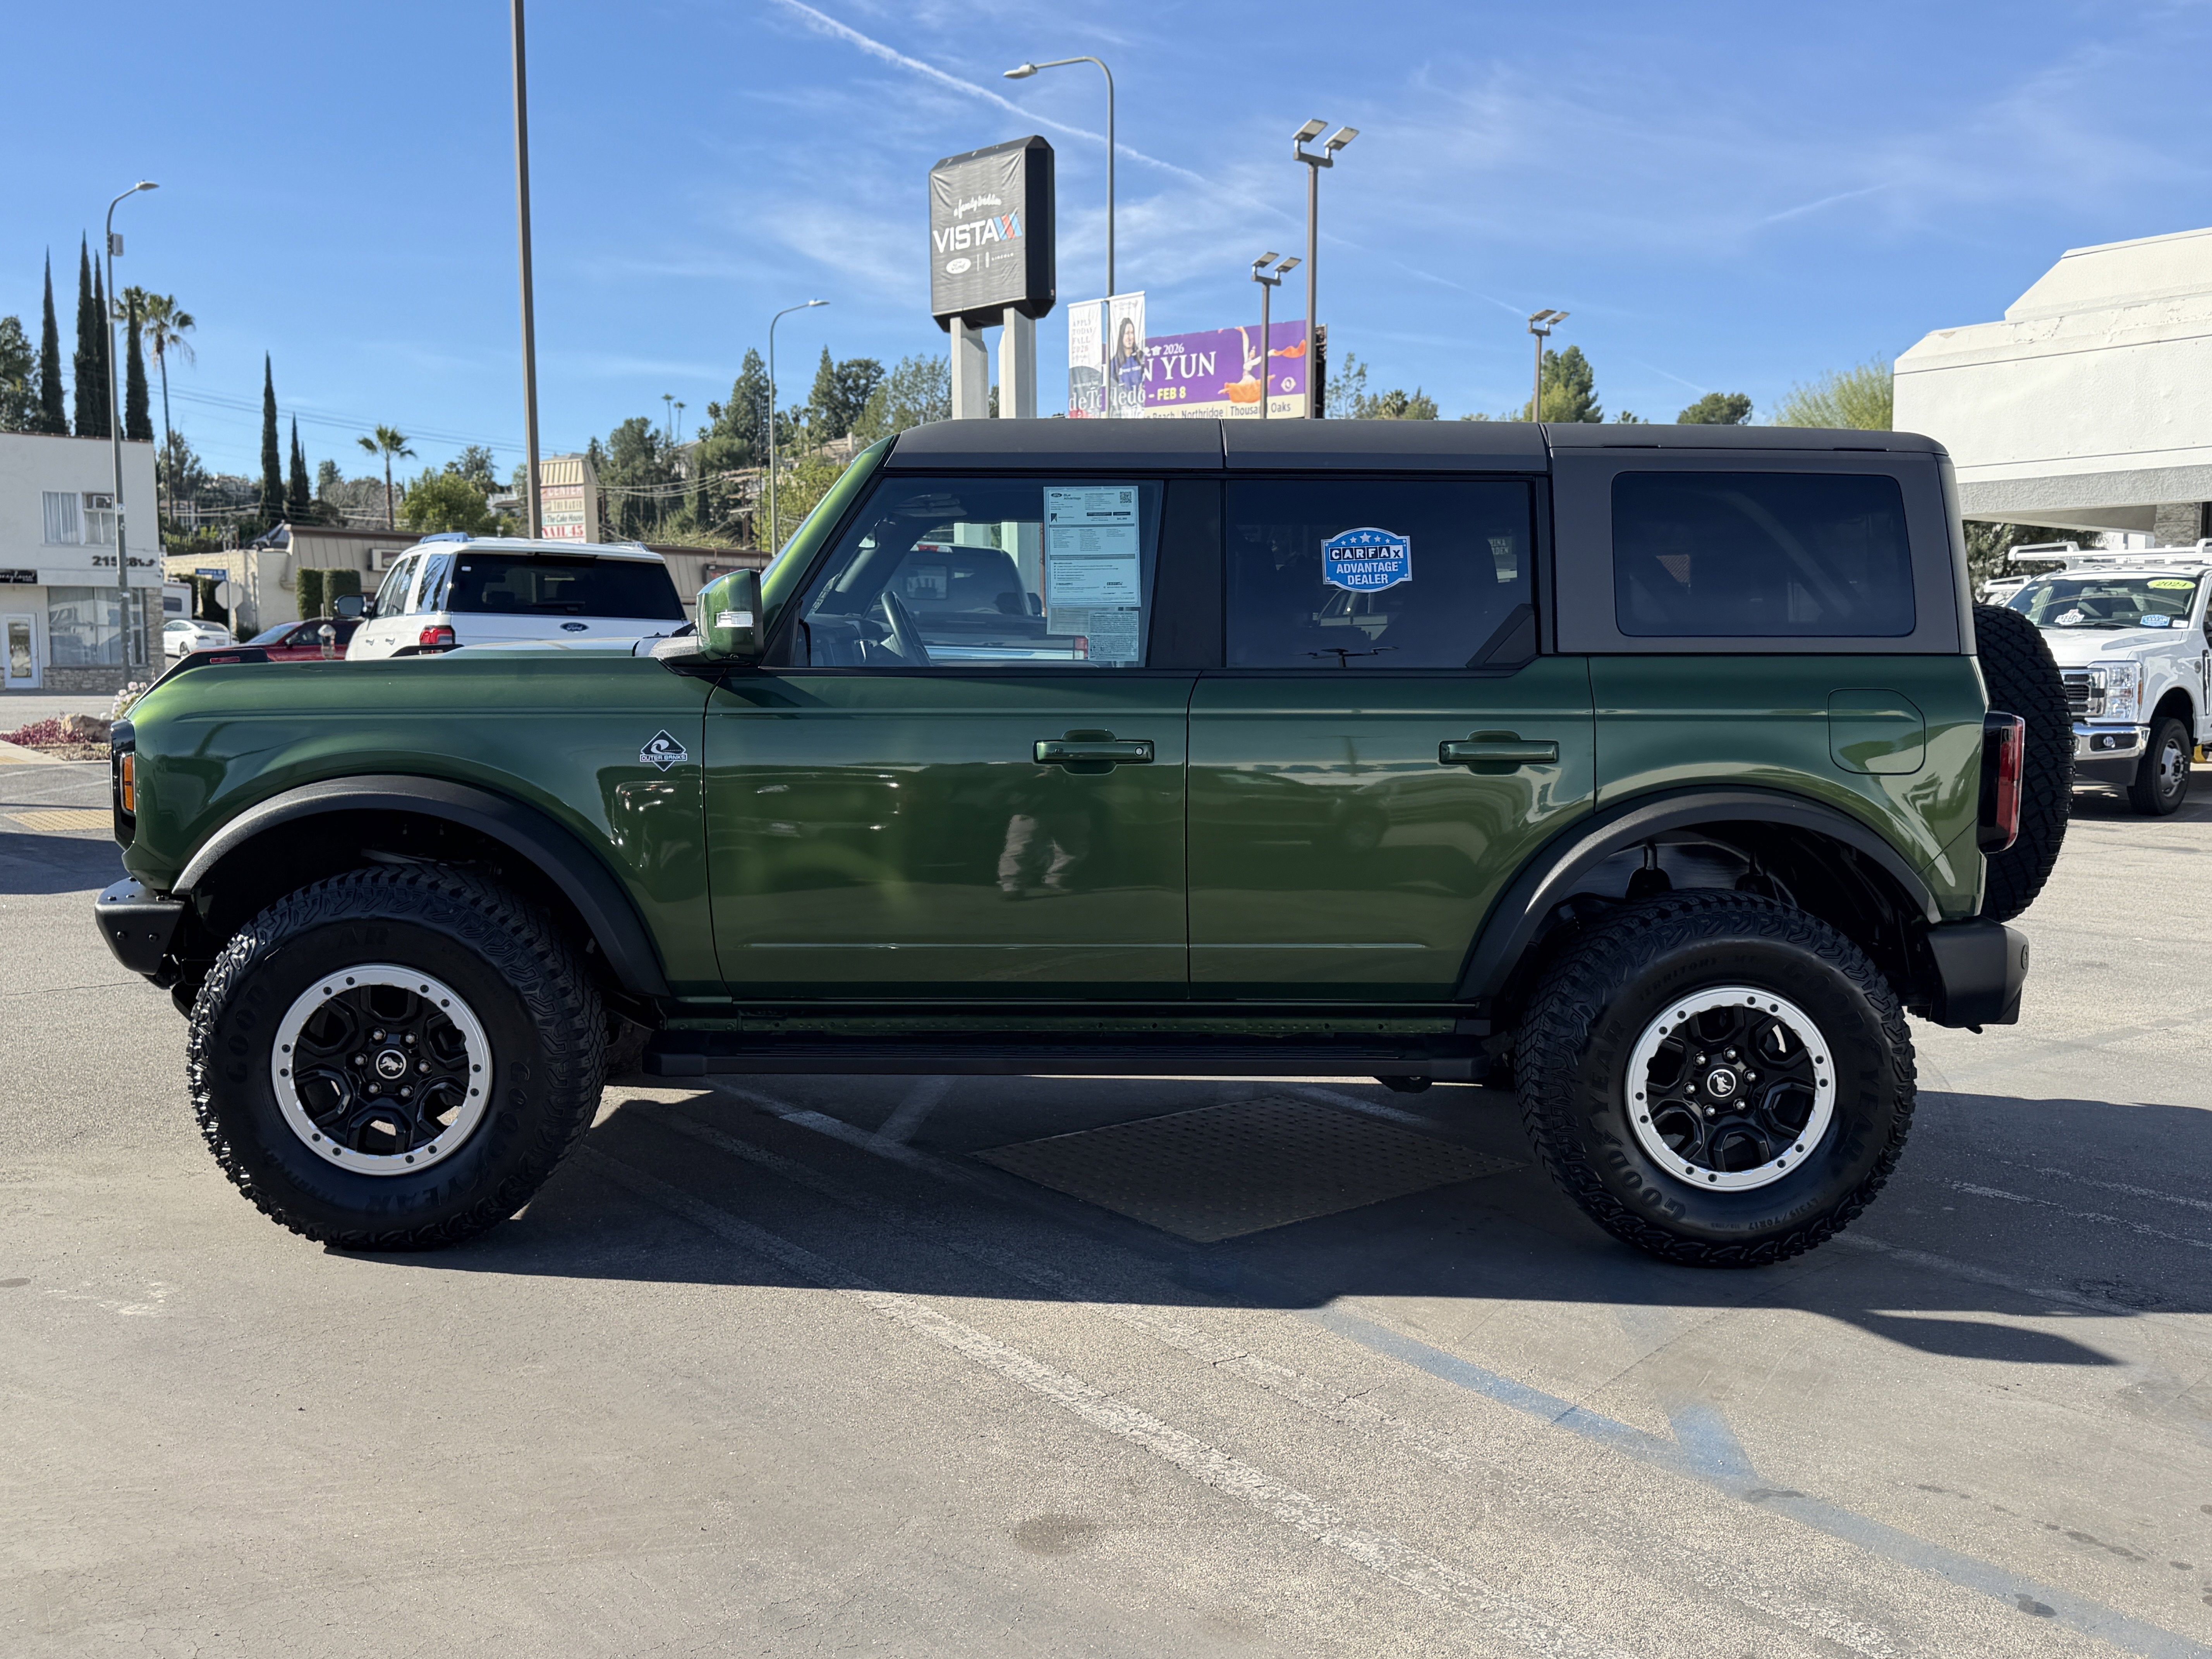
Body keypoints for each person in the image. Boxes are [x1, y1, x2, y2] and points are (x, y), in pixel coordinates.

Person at [1111, 317, 1146, 416]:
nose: (1130, 337)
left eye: (1132, 333)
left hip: (1141, 410)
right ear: (1122, 336)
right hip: (1122, 412)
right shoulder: (1114, 363)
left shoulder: (1142, 358)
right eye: (1127, 333)